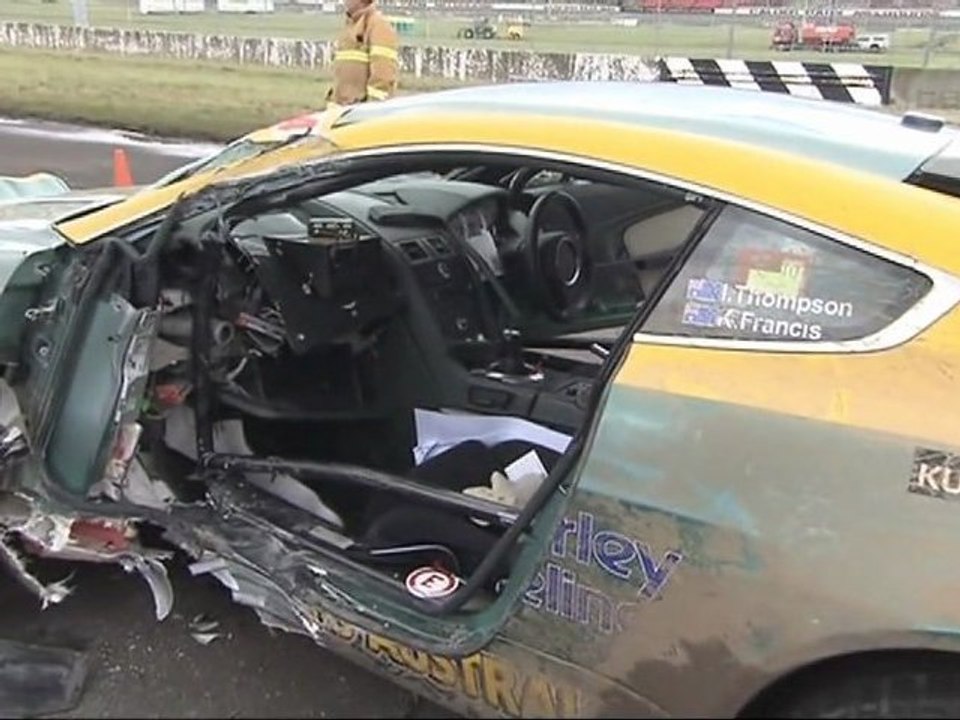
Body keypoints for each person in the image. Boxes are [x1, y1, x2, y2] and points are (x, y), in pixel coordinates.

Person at [326, 0, 399, 108]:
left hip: (363, 114)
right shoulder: (350, 27)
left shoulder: (379, 25)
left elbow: (383, 74)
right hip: (343, 112)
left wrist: (372, 109)